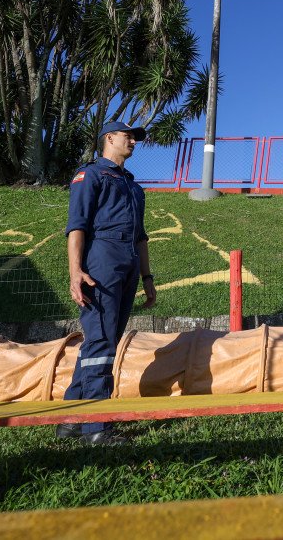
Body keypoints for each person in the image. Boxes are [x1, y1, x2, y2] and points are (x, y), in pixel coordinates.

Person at [57, 121, 157, 445]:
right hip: (102, 259)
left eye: (135, 138)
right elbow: (77, 227)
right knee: (100, 341)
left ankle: (71, 420)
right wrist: (75, 272)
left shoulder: (134, 187)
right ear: (109, 138)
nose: (133, 142)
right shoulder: (91, 176)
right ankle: (97, 429)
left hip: (127, 263)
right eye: (128, 136)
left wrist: (147, 278)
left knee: (103, 341)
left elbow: (141, 237)